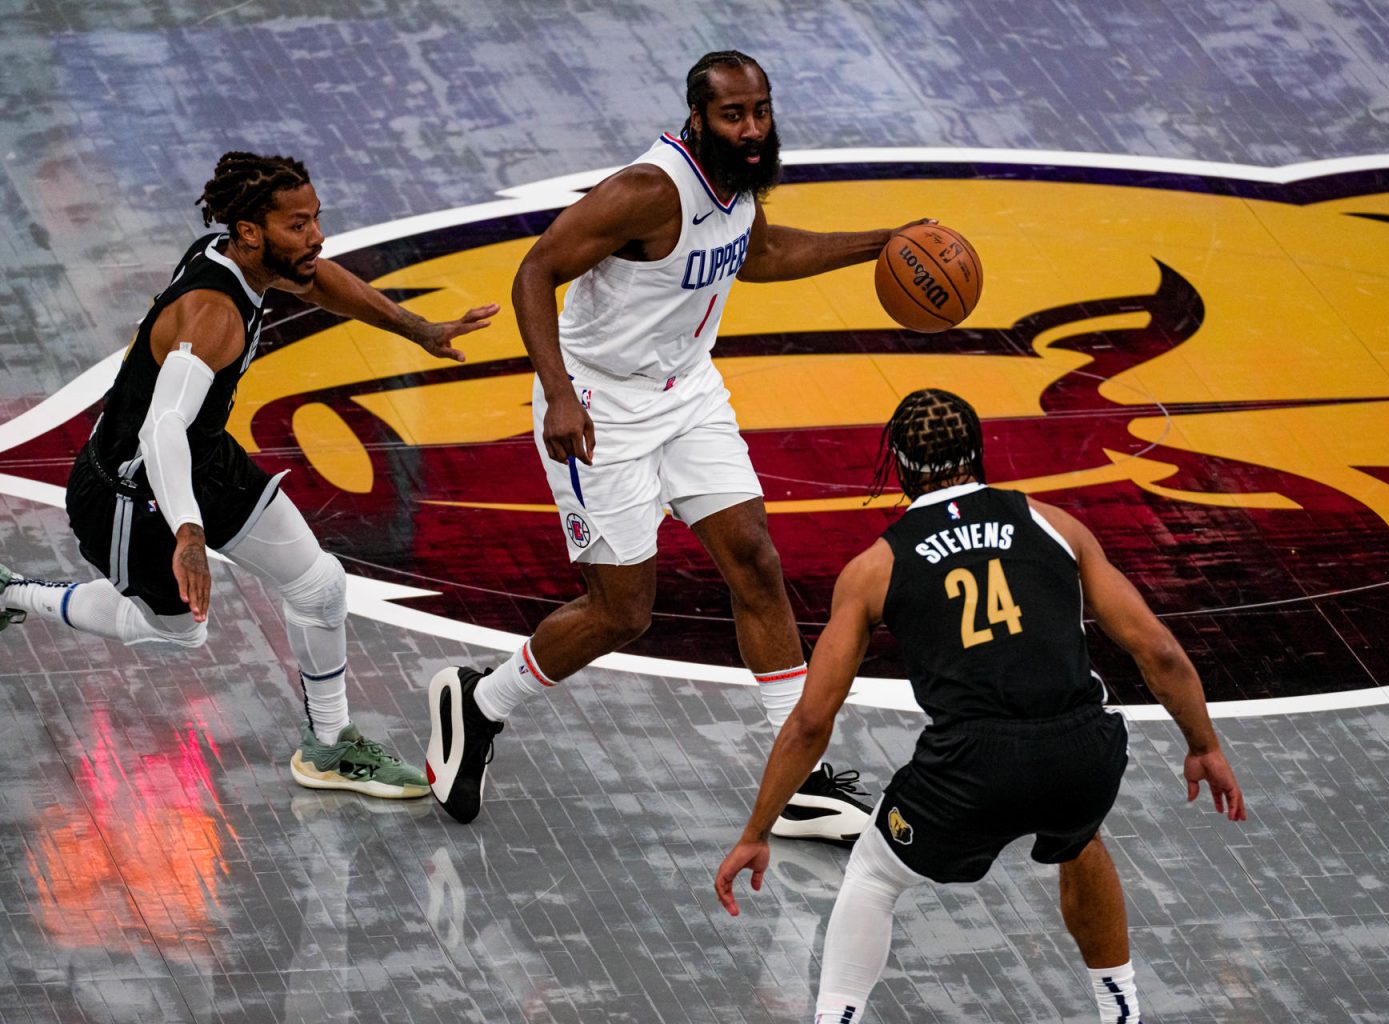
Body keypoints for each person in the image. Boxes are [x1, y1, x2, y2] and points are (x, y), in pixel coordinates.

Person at [424, 50, 920, 834]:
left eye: (760, 111)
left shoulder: (739, 180)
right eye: (734, 115)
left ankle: (797, 780)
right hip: (599, 403)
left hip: (686, 392)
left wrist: (881, 243)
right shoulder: (648, 191)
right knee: (622, 612)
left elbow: (760, 253)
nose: (752, 128)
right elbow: (535, 270)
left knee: (755, 557)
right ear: (699, 118)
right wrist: (557, 393)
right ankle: (481, 702)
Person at [713, 388, 1248, 1024]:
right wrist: (1204, 745)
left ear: (901, 467)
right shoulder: (1057, 526)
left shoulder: (874, 568)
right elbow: (1157, 651)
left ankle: (837, 1019)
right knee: (1079, 837)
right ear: (979, 451)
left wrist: (755, 832)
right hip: (1083, 752)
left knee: (876, 873)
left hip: (973, 769)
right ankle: (1123, 1010)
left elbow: (810, 721)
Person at [0, 151, 498, 799]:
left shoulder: (242, 257)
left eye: (315, 218)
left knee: (318, 587)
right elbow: (161, 432)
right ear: (251, 231)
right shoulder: (215, 317)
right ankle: (14, 593)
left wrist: (418, 328)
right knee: (175, 634)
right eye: (298, 224)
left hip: (205, 462)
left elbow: (318, 283)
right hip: (131, 495)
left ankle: (327, 746)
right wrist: (188, 534)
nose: (316, 235)